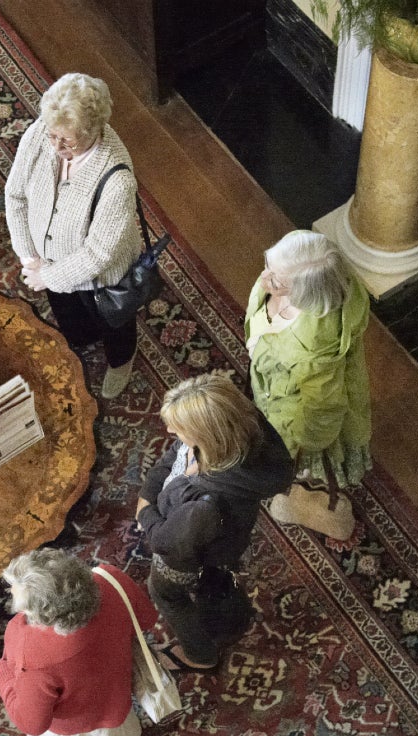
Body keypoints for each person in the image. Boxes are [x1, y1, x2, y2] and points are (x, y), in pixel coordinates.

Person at [135, 372, 292, 671]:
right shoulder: (241, 430)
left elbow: (164, 542)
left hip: (189, 546)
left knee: (164, 592)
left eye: (178, 428)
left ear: (206, 436)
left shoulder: (204, 504)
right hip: (213, 532)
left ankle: (200, 656)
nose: (168, 430)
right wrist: (149, 491)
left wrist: (145, 512)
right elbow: (172, 458)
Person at [5, 73, 143, 400]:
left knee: (114, 324)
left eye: (66, 140)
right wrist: (30, 257)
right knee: (71, 320)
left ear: (94, 130)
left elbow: (97, 255)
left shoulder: (117, 179)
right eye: (52, 135)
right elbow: (15, 195)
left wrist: (48, 276)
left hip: (104, 277)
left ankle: (122, 359)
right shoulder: (43, 131)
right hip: (47, 263)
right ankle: (81, 338)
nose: (56, 146)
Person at [0, 548, 158, 736]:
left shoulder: (32, 653)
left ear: (48, 613)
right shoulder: (111, 578)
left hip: (72, 728)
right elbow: (147, 619)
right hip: (116, 701)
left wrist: (1, 672)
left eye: (24, 609)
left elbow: (32, 723)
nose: (18, 614)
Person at [244, 230, 372, 539]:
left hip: (295, 417)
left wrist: (296, 447)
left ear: (306, 294)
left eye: (277, 281)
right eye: (268, 265)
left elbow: (320, 412)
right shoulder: (287, 278)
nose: (264, 280)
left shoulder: (318, 348)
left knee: (307, 464)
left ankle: (308, 488)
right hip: (276, 389)